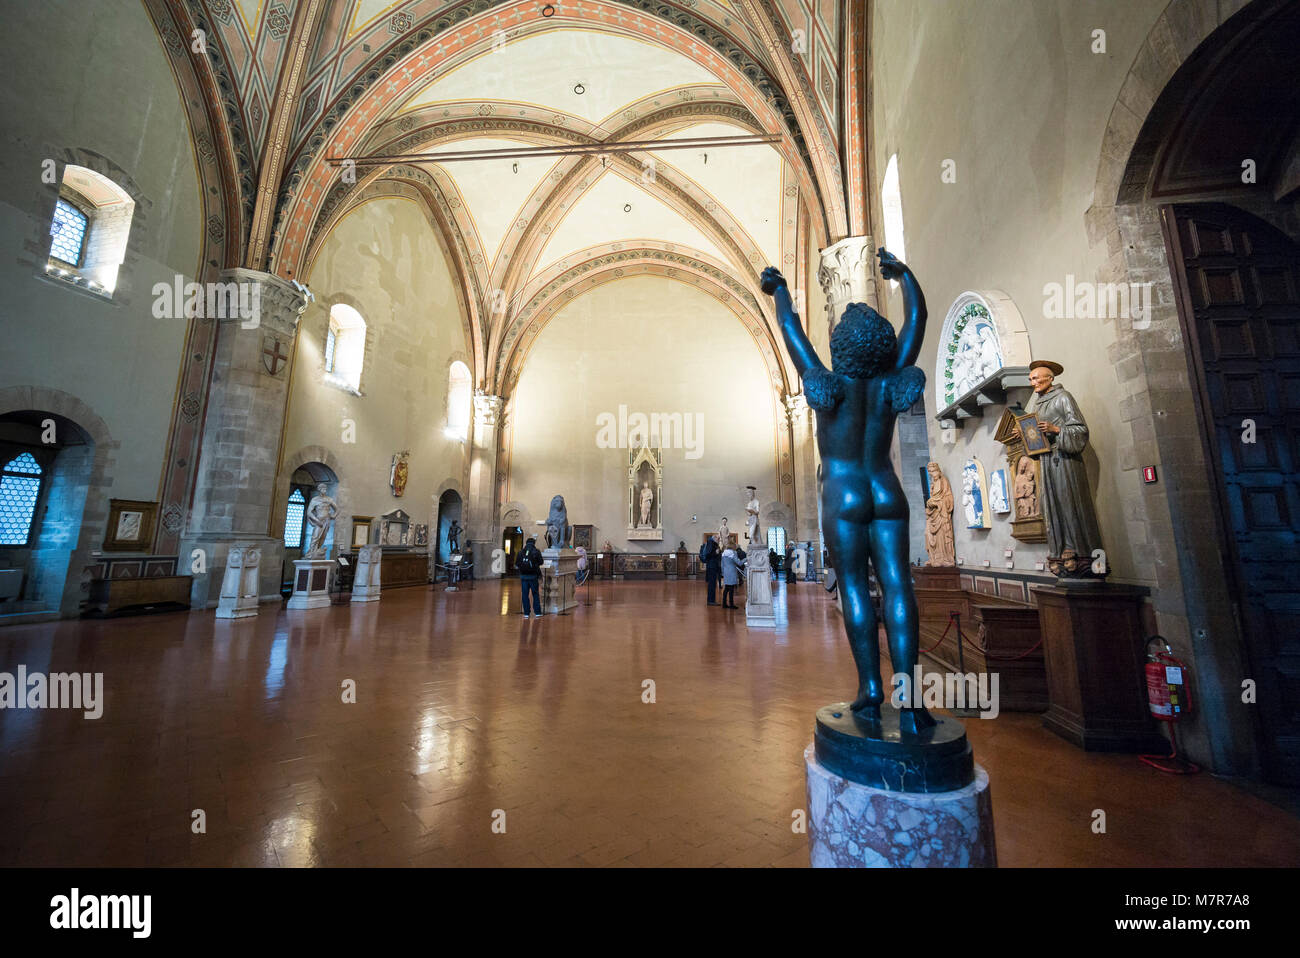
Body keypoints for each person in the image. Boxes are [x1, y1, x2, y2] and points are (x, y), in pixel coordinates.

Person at [762, 248, 934, 730]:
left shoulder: (828, 385)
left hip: (845, 494)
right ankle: (911, 700)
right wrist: (904, 275)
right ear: (880, 348)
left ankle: (871, 688)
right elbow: (917, 320)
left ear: (841, 348)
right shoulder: (888, 384)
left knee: (855, 586)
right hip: (886, 488)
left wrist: (780, 292)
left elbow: (793, 334)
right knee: (900, 585)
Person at [516, 536, 543, 617]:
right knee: (535, 594)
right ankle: (537, 612)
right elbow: (541, 562)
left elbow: (517, 564)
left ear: (526, 543)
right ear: (534, 543)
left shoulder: (521, 552)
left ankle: (526, 613)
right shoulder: (536, 551)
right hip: (533, 576)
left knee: (525, 594)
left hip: (524, 577)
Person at [720, 545, 744, 609]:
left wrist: (723, 573)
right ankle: (731, 604)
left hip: (726, 572)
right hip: (732, 572)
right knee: (731, 589)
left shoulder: (723, 554)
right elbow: (739, 563)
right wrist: (746, 559)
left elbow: (722, 565)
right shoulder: (733, 553)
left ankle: (724, 604)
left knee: (726, 588)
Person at [703, 534, 722, 605]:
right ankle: (711, 601)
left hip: (713, 566)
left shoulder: (713, 543)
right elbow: (708, 555)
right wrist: (715, 552)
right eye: (718, 539)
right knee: (712, 584)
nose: (719, 540)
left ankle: (711, 600)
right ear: (714, 538)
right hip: (711, 566)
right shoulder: (711, 543)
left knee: (713, 584)